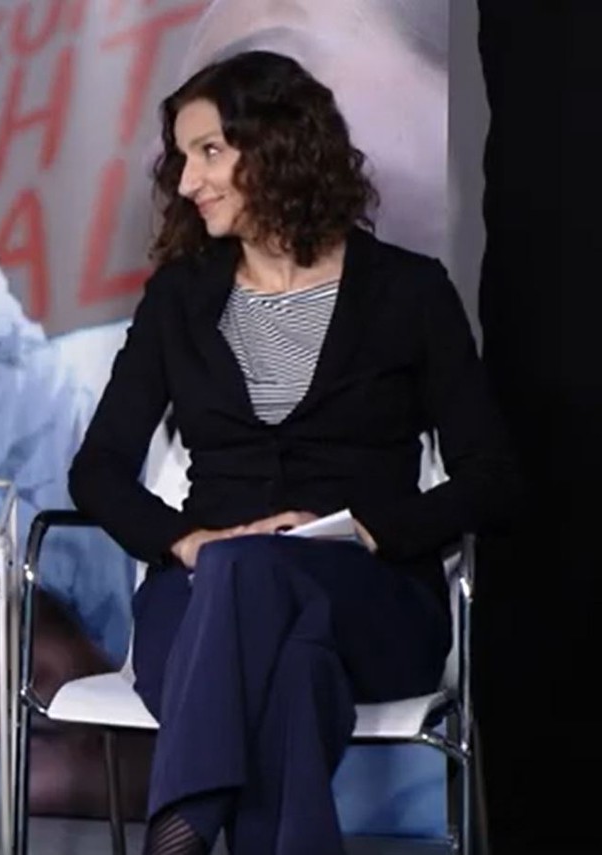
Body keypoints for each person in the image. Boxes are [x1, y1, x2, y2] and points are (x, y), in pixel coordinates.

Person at [67, 50, 516, 855]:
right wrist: (189, 541)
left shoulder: (409, 292)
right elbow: (96, 471)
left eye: (210, 151)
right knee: (293, 665)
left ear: (280, 146)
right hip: (201, 598)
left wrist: (371, 529)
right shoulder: (178, 300)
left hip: (370, 595)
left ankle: (176, 834)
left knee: (259, 578)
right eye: (182, 157)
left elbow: (493, 478)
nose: (188, 181)